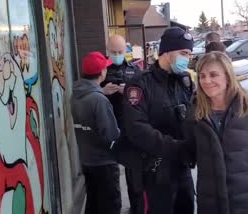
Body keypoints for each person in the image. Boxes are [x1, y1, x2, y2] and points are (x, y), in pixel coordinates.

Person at [183, 52, 248, 214]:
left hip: (247, 201)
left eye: (213, 75)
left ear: (228, 76)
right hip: (211, 201)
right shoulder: (195, 113)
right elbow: (190, 150)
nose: (206, 81)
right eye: (202, 76)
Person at [122, 27, 195, 214]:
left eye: (189, 54)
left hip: (182, 167)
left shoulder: (185, 81)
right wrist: (176, 147)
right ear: (167, 52)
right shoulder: (140, 83)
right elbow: (136, 128)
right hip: (154, 170)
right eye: (183, 53)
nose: (187, 59)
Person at [71, 51, 121, 214]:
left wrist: (101, 91)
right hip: (104, 162)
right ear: (102, 72)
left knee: (93, 203)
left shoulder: (76, 95)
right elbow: (111, 134)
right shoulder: (98, 100)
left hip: (87, 160)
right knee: (110, 206)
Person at [101, 35, 141, 213]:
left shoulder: (134, 69)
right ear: (107, 50)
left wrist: (129, 91)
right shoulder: (101, 69)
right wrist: (102, 91)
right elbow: (90, 91)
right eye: (113, 52)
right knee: (110, 171)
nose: (117, 55)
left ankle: (135, 206)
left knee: (133, 170)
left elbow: (143, 96)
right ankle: (112, 207)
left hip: (129, 125)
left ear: (126, 50)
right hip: (107, 125)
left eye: (120, 52)